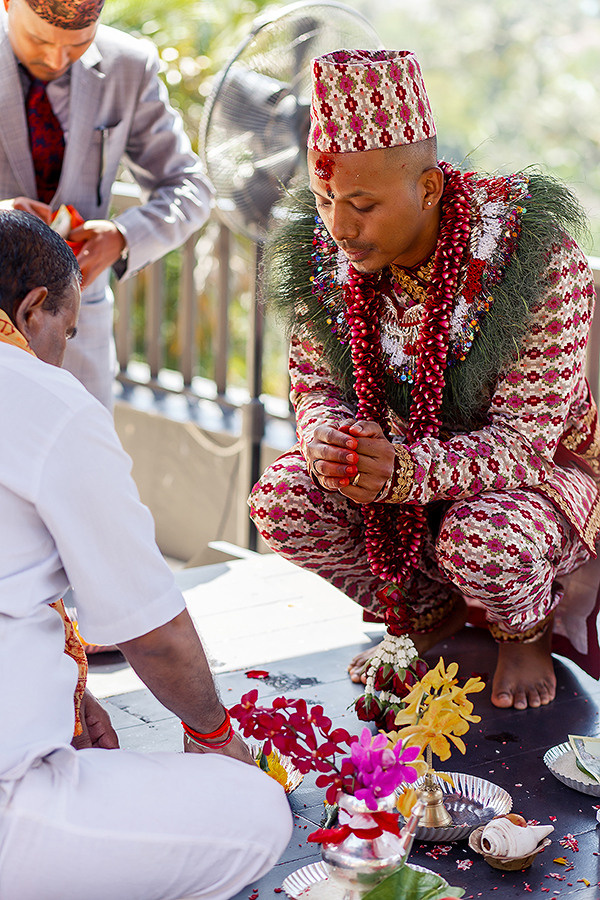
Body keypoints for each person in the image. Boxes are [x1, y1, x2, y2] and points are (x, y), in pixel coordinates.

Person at [249, 48, 600, 713]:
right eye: (324, 200)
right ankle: (422, 608)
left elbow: (525, 444)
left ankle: (525, 630)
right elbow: (314, 387)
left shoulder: (534, 259)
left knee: (483, 540)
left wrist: (404, 471)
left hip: (531, 483)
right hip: (391, 470)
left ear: (430, 189)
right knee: (282, 500)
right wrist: (332, 441)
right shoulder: (323, 254)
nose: (339, 227)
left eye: (362, 204)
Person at [0, 210, 292, 900]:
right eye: (67, 332)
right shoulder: (46, 399)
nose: (63, 352)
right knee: (255, 813)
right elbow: (151, 631)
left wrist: (69, 695)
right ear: (33, 309)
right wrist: (215, 737)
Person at [0, 0, 212, 409]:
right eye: (40, 40)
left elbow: (190, 186)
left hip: (80, 341)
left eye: (77, 44)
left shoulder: (128, 66)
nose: (57, 60)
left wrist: (123, 236)